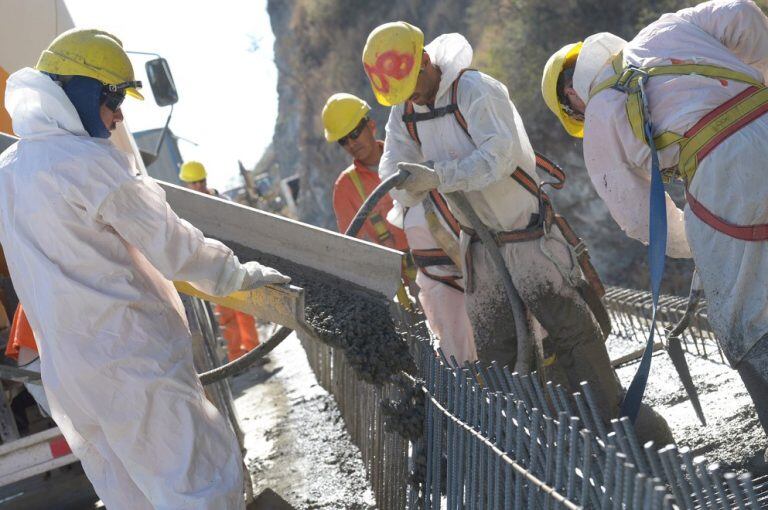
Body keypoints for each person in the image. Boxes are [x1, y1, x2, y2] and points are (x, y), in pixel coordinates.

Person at [0, 28, 290, 509]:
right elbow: (173, 247)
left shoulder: (9, 173)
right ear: (82, 91)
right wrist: (238, 275)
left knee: (132, 500)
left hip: (71, 381)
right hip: (132, 363)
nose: (118, 117)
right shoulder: (86, 163)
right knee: (201, 490)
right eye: (113, 100)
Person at [364, 21, 672, 443]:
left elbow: (498, 157)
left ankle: (623, 425)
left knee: (569, 330)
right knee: (495, 347)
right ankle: (537, 441)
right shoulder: (405, 111)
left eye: (411, 86)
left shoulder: (475, 91)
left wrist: (437, 175)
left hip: (525, 233)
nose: (410, 98)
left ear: (423, 59)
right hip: (478, 243)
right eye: (399, 94)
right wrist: (405, 178)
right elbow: (391, 165)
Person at [541, 0, 768, 439]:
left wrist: (698, 245)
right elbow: (742, 12)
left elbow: (640, 218)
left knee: (747, 323)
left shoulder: (604, 108)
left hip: (724, 177)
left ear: (572, 96)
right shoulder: (669, 28)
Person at [322, 93, 476, 364]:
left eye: (354, 133)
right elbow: (355, 252)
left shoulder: (408, 154)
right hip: (409, 286)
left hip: (456, 259)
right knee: (449, 351)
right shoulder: (346, 188)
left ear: (370, 125)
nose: (351, 144)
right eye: (343, 141)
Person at [179, 160, 261, 361]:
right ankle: (236, 357)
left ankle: (255, 352)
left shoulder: (222, 201)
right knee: (226, 315)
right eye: (194, 183)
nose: (199, 186)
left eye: (201, 181)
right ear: (186, 185)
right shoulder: (187, 212)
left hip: (232, 261)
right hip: (211, 269)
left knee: (244, 310)